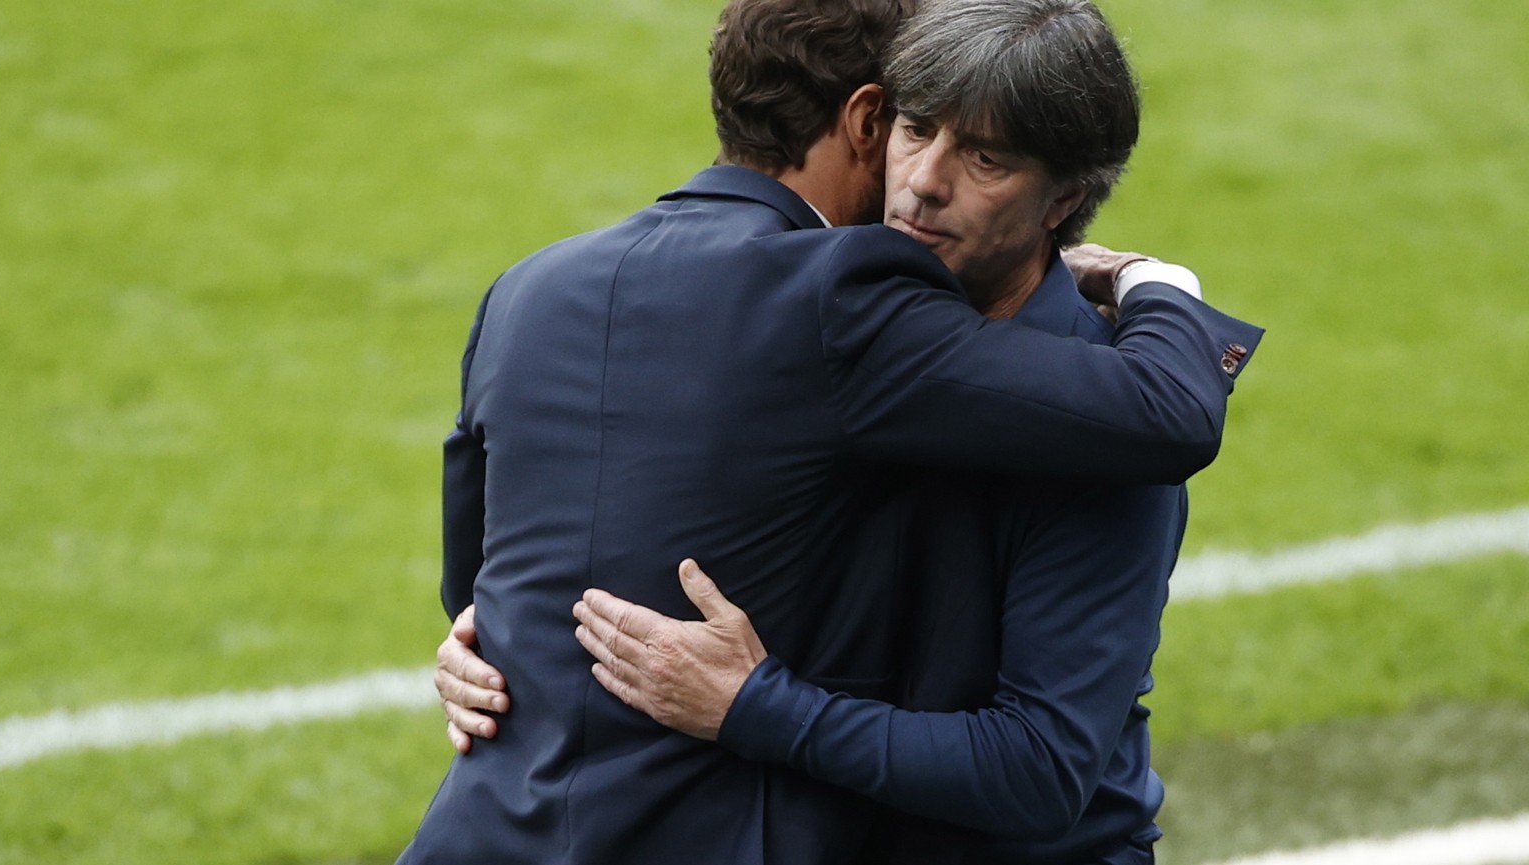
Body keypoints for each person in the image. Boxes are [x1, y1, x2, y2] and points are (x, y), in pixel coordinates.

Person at [402, 0, 1261, 862]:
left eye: (986, 158)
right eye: (916, 129)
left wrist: (756, 704)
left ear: (1062, 201)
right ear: (872, 122)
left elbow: (1037, 770)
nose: (924, 180)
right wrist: (500, 638)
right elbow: (484, 582)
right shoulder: (832, 310)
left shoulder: (1093, 420)